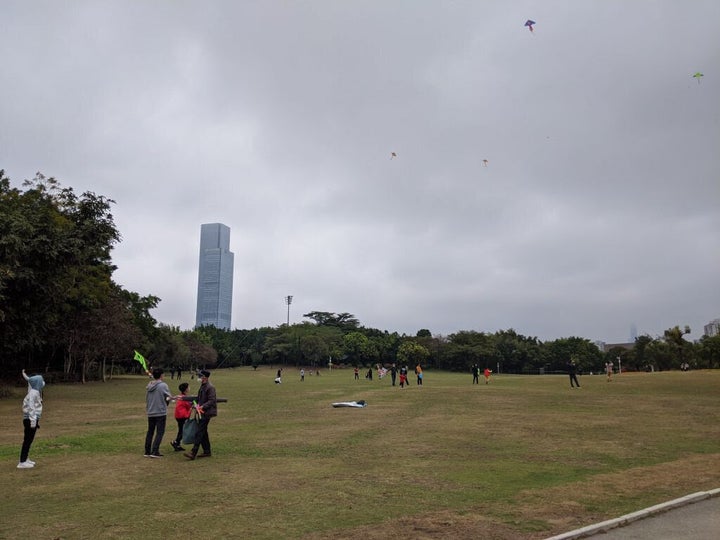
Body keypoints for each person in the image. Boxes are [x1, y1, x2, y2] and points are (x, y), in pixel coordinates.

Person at [185, 370, 217, 460]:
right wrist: (194, 403)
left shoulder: (210, 387)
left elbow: (212, 400)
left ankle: (193, 452)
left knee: (199, 432)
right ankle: (207, 451)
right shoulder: (203, 386)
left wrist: (202, 407)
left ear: (205, 377)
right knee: (203, 432)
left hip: (206, 413)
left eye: (200, 376)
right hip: (201, 412)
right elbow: (200, 398)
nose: (198, 378)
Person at [18, 369, 45, 469]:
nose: (42, 383)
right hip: (30, 419)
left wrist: (24, 375)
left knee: (29, 440)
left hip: (30, 419)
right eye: (40, 381)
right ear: (37, 383)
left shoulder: (34, 390)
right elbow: (31, 407)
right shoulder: (33, 393)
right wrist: (33, 421)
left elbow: (31, 380)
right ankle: (22, 461)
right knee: (27, 440)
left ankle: (25, 458)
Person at [145, 368, 172, 458]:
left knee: (150, 432)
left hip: (151, 411)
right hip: (160, 412)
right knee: (160, 432)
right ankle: (154, 451)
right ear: (161, 375)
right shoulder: (163, 385)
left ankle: (147, 451)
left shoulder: (149, 384)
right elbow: (168, 397)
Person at [171, 382, 192, 452]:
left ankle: (177, 443)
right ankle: (176, 442)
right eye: (188, 387)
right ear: (186, 389)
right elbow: (188, 405)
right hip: (182, 416)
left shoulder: (181, 396)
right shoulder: (184, 398)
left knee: (181, 430)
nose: (189, 388)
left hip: (179, 415)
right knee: (182, 430)